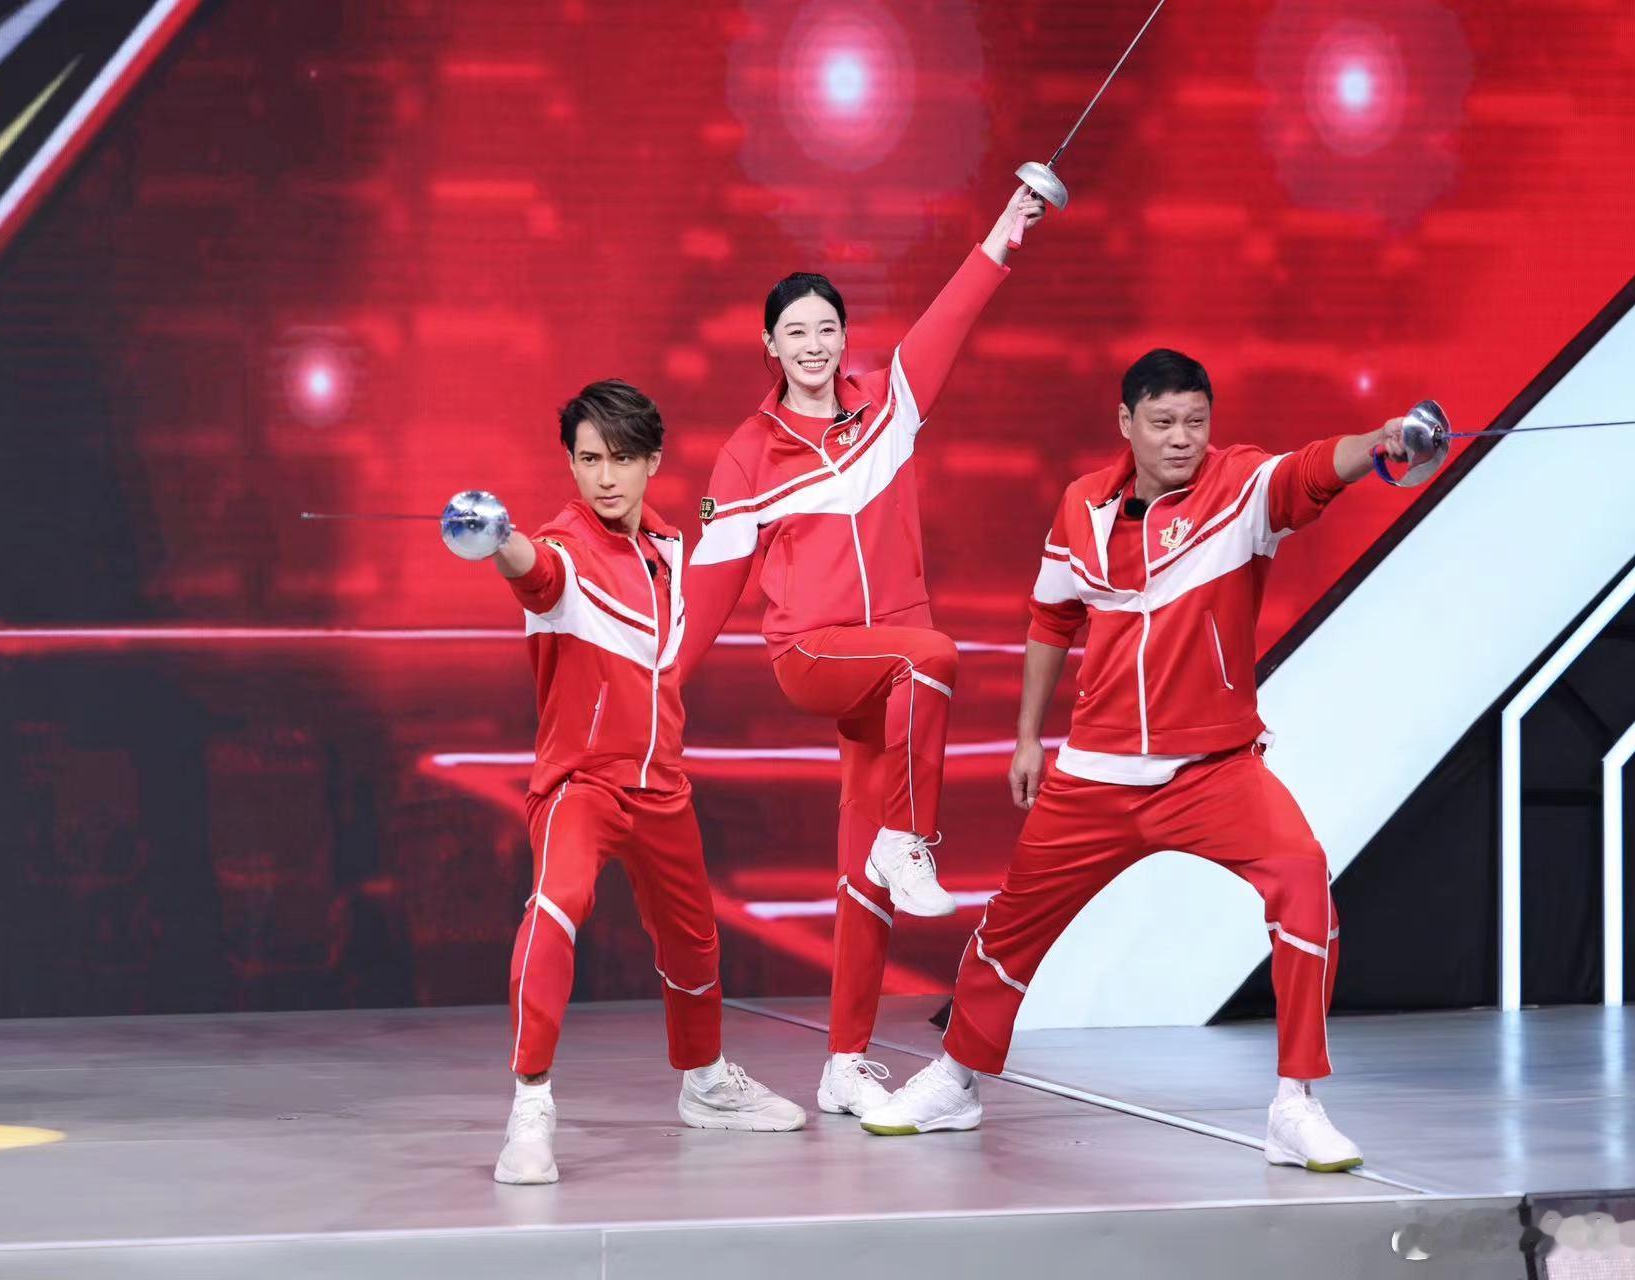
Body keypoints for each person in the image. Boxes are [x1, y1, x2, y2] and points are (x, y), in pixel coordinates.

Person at [859, 348, 1414, 1173]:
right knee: (1010, 928)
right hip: (1097, 773)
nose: (1181, 438)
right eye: (1162, 423)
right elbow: (1052, 619)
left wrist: (1382, 440)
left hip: (1214, 771)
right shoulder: (1080, 505)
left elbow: (1311, 469)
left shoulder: (1241, 488)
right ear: (1126, 424)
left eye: (1195, 421)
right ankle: (955, 1079)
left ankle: (1295, 1104)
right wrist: (1026, 737)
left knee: (1303, 885)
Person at [680, 187, 1046, 1119]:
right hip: (814, 654)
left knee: (860, 878)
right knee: (933, 655)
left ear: (845, 339)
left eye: (826, 329)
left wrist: (1004, 232)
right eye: (794, 332)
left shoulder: (890, 405)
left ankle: (842, 1062)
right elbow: (712, 581)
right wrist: (661, 687)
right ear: (769, 346)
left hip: (889, 678)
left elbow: (950, 317)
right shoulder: (747, 454)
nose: (813, 344)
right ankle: (908, 839)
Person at [483, 378, 804, 1185]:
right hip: (582, 785)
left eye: (622, 458)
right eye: (589, 459)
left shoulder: (667, 546)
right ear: (570, 463)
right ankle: (530, 1107)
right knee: (554, 912)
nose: (605, 476)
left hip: (662, 786)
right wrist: (497, 538)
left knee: (694, 943)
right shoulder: (562, 547)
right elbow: (534, 573)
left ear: (652, 462)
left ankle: (705, 1083)